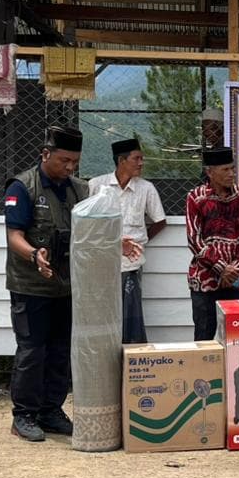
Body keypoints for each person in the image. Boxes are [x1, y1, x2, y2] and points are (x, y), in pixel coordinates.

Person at [4, 126, 87, 442]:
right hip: (30, 286)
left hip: (65, 286)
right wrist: (34, 255)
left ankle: (51, 411)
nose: (69, 167)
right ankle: (23, 415)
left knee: (60, 351)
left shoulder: (80, 189)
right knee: (32, 351)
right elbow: (14, 236)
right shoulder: (22, 187)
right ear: (45, 154)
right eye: (64, 160)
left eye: (74, 161)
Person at [88, 138, 167, 344]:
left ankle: (132, 358)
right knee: (102, 311)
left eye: (142, 158)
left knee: (130, 314)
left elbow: (160, 221)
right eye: (137, 158)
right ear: (122, 160)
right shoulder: (97, 185)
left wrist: (141, 241)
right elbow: (86, 224)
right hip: (101, 261)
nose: (141, 163)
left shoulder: (146, 188)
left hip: (131, 262)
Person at [186, 147, 239, 341]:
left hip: (235, 277)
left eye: (233, 168)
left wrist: (234, 269)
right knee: (204, 336)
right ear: (210, 172)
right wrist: (221, 268)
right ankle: (203, 373)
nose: (232, 174)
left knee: (236, 337)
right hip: (205, 278)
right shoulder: (196, 197)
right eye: (225, 170)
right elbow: (194, 239)